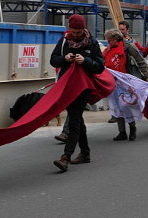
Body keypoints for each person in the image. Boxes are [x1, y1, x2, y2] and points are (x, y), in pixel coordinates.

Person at [50, 14, 105, 172]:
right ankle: (85, 153)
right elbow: (53, 60)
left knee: (74, 119)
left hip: (83, 88)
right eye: (73, 32)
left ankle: (65, 157)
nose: (75, 35)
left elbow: (100, 66)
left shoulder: (92, 43)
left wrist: (85, 61)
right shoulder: (63, 42)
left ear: (84, 29)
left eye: (78, 32)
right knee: (77, 119)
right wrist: (64, 58)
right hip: (67, 86)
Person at [103, 29, 148, 141]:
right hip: (113, 81)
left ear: (116, 39)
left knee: (126, 105)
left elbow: (140, 61)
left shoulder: (129, 47)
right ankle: (122, 132)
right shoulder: (108, 49)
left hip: (127, 81)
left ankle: (132, 128)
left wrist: (147, 76)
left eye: (109, 40)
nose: (108, 42)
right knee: (116, 106)